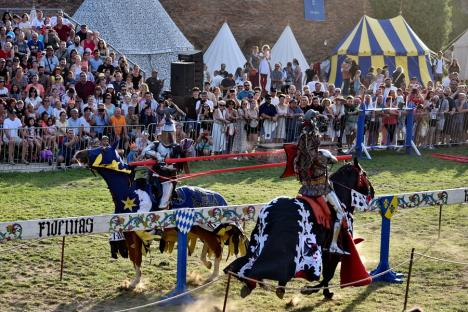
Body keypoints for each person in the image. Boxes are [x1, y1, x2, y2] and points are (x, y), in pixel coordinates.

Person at [293, 109, 348, 255]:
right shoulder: (311, 136)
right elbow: (313, 157)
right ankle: (333, 245)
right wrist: (326, 157)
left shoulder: (302, 136)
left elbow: (304, 156)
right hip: (321, 186)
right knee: (340, 213)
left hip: (306, 185)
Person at [141, 115, 181, 209]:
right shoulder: (156, 144)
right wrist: (157, 155)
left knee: (163, 201)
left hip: (169, 177)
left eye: (170, 134)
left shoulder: (176, 147)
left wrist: (168, 167)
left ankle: (163, 211)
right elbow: (145, 151)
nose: (168, 137)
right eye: (166, 134)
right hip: (155, 174)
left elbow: (178, 165)